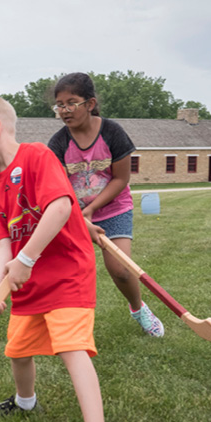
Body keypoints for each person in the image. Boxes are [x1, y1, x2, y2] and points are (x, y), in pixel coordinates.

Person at [0, 93, 122, 422]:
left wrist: (26, 260)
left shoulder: (36, 156)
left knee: (72, 348)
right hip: (28, 281)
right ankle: (25, 402)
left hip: (67, 273)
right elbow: (1, 245)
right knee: (18, 350)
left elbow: (60, 208)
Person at [48, 72, 164, 338]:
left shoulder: (112, 132)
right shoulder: (58, 143)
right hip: (74, 213)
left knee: (121, 270)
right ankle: (65, 321)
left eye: (71, 103)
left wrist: (91, 209)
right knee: (67, 271)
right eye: (60, 105)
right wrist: (79, 215)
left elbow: (121, 178)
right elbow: (59, 188)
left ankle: (138, 308)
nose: (65, 110)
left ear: (90, 104)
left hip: (113, 208)